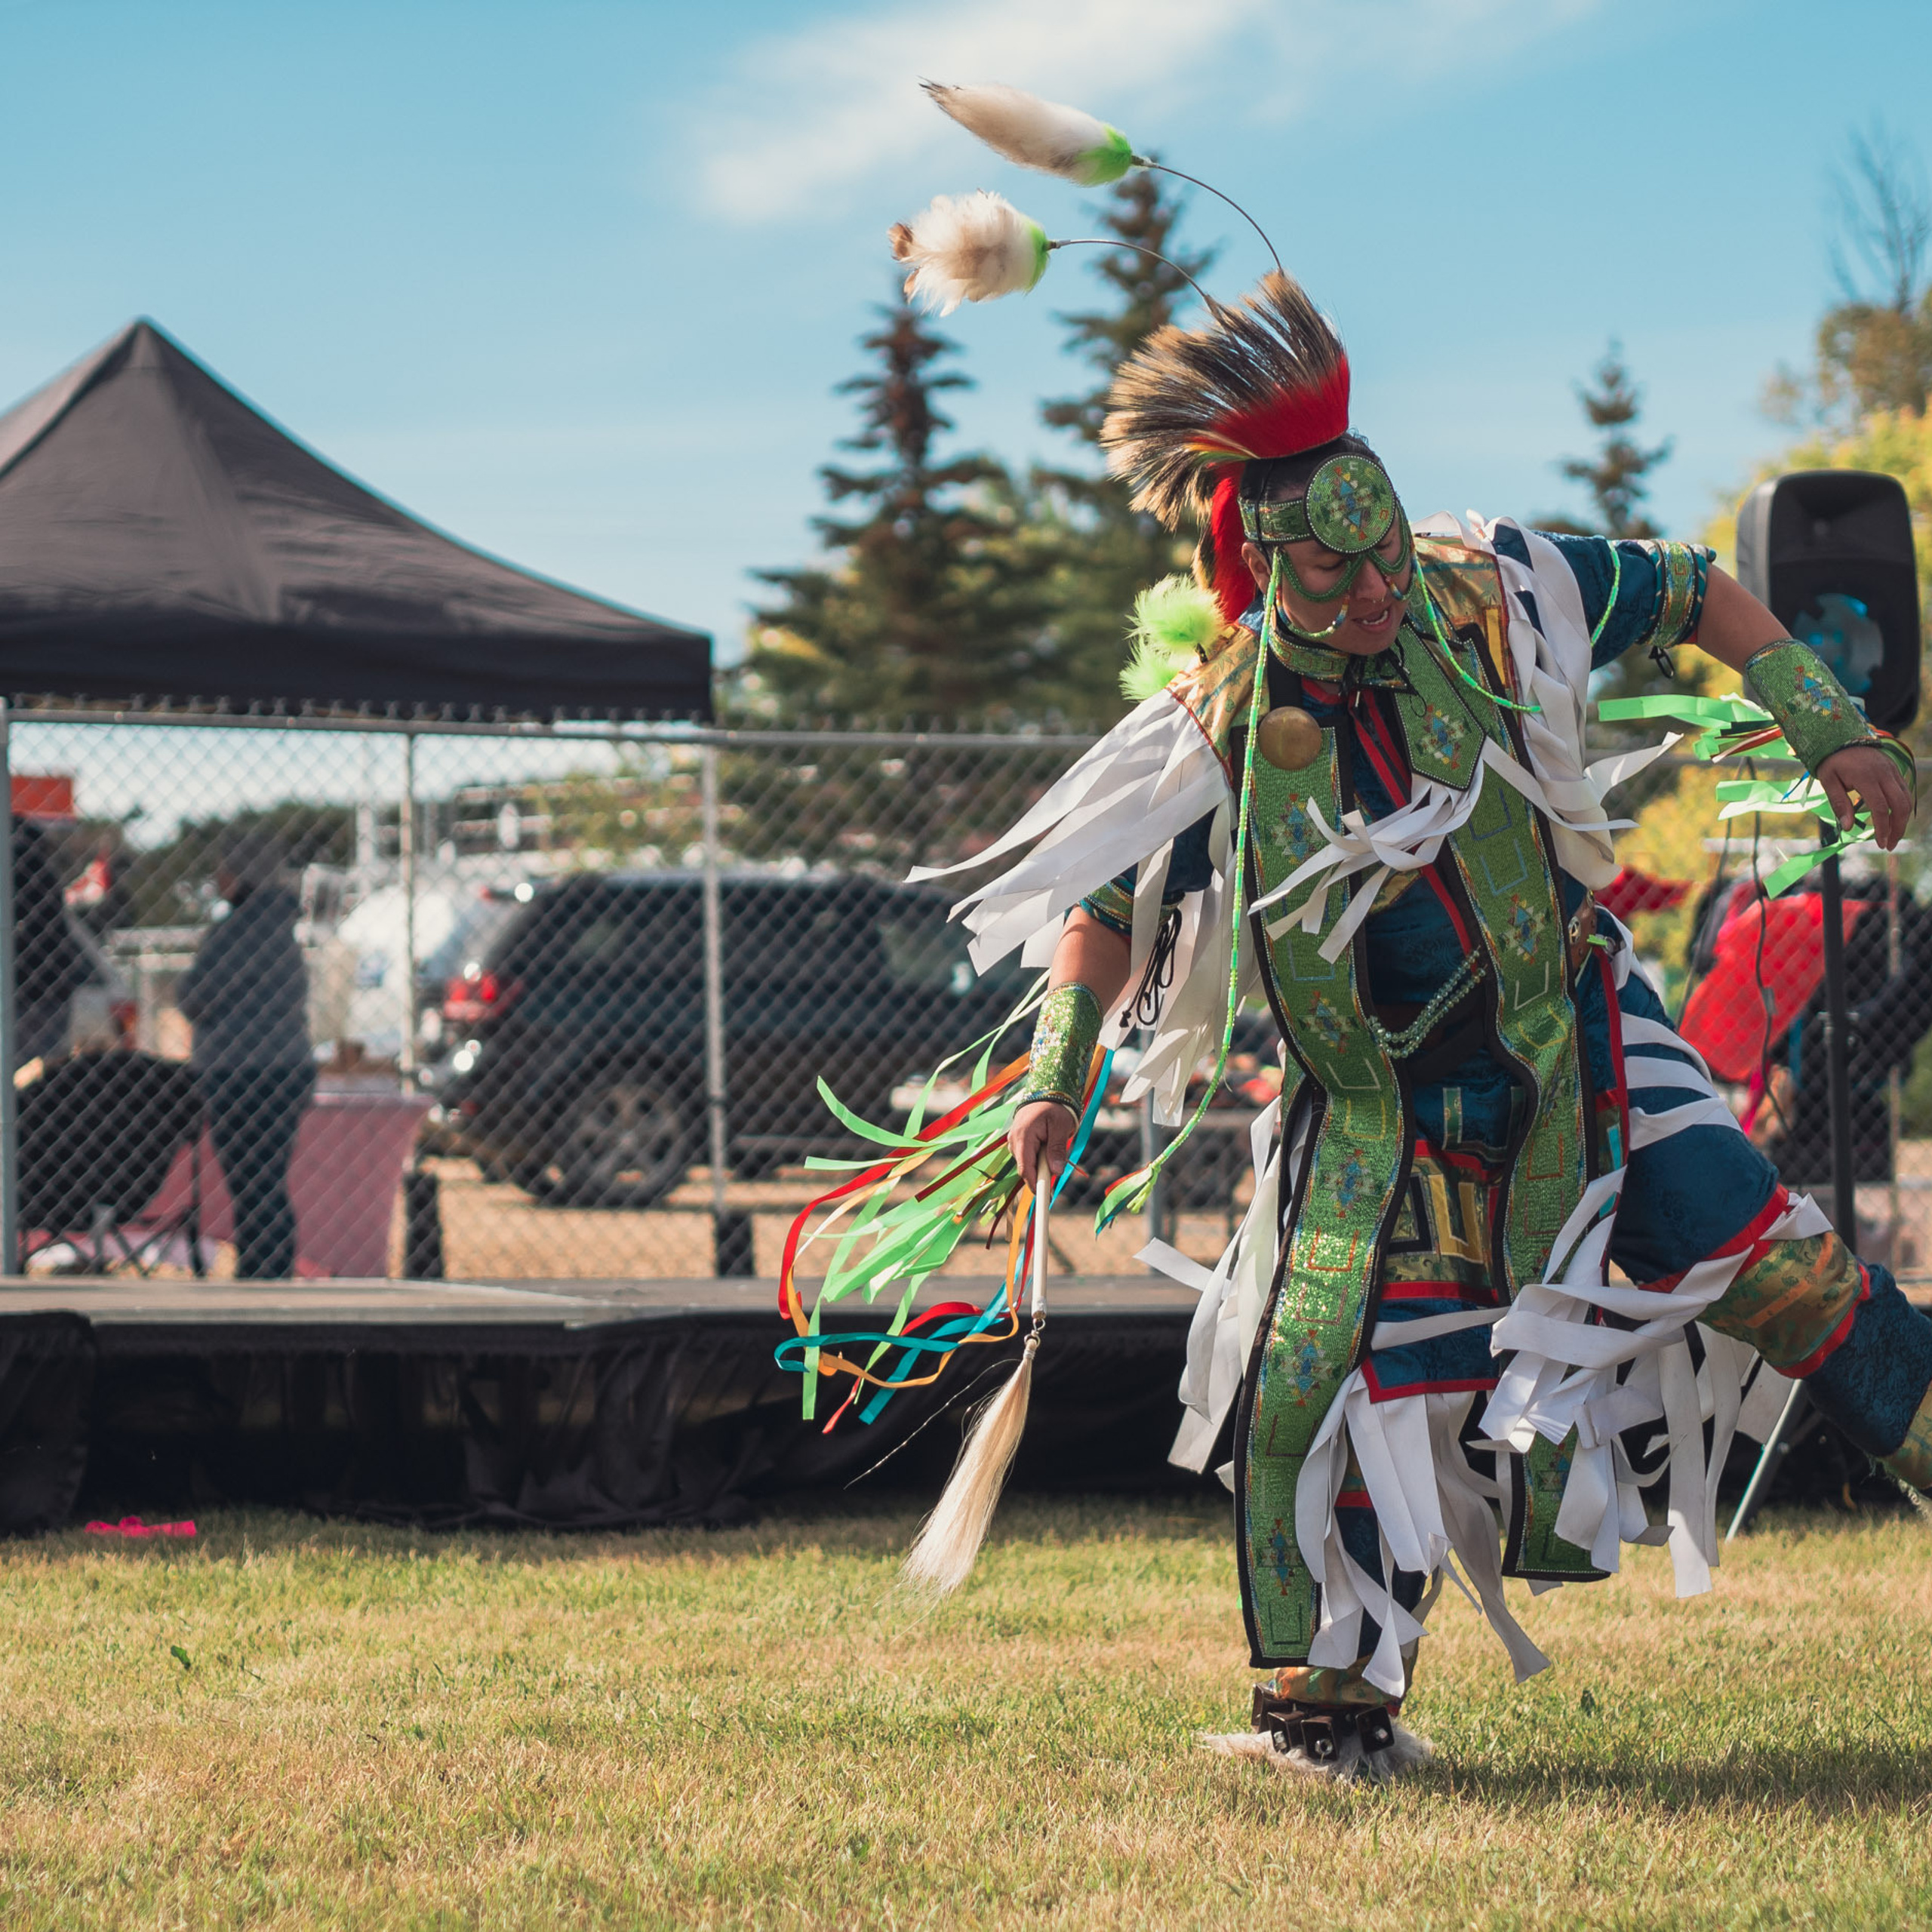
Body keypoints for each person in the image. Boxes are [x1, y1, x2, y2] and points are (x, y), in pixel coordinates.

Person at [783, 92, 1930, 1783]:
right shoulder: (1211, 734)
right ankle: (1330, 1712)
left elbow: (1692, 587)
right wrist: (1052, 1081)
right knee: (1338, 1379)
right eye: (1342, 582)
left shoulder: (1496, 588)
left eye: (1388, 552)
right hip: (1377, 1111)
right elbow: (1102, 909)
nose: (1383, 593)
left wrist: (1828, 723)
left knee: (1773, 1259)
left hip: (1580, 1042)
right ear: (1260, 581)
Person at [176, 832, 312, 1277]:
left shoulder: (234, 932)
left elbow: (194, 996)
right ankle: (270, 1273)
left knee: (253, 1186)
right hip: (286, 1067)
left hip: (239, 1071)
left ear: (240, 875)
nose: (219, 879)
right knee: (268, 1180)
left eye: (225, 869)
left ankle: (262, 1277)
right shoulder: (281, 928)